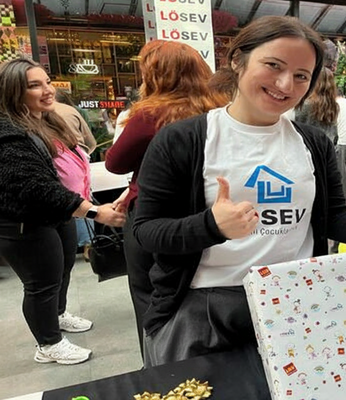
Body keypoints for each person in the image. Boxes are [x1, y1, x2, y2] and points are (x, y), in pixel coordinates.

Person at [131, 16, 346, 393]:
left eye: (301, 76)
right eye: (273, 66)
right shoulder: (183, 140)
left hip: (294, 301)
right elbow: (145, 231)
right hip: (205, 309)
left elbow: (336, 220)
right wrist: (211, 226)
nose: (285, 85)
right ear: (237, 60)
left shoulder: (313, 143)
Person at [105, 40, 229, 359]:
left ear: (155, 74)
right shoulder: (220, 108)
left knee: (148, 292)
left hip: (154, 213)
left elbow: (115, 163)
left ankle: (159, 363)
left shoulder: (151, 114)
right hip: (210, 212)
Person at [0, 58, 125, 365]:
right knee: (41, 283)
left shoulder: (45, 120)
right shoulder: (9, 132)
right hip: (24, 222)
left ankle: (57, 314)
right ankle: (48, 344)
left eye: (47, 82)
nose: (47, 90)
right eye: (34, 85)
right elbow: (35, 187)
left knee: (62, 268)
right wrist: (94, 212)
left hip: (58, 213)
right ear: (13, 91)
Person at [54, 90, 96, 261]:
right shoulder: (71, 111)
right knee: (82, 198)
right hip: (77, 157)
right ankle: (88, 245)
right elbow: (91, 142)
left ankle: (64, 246)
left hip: (53, 159)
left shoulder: (31, 113)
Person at [293, 67, 339, 144]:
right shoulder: (333, 106)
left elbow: (296, 128)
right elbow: (334, 132)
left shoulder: (306, 104)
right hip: (327, 146)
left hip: (308, 146)